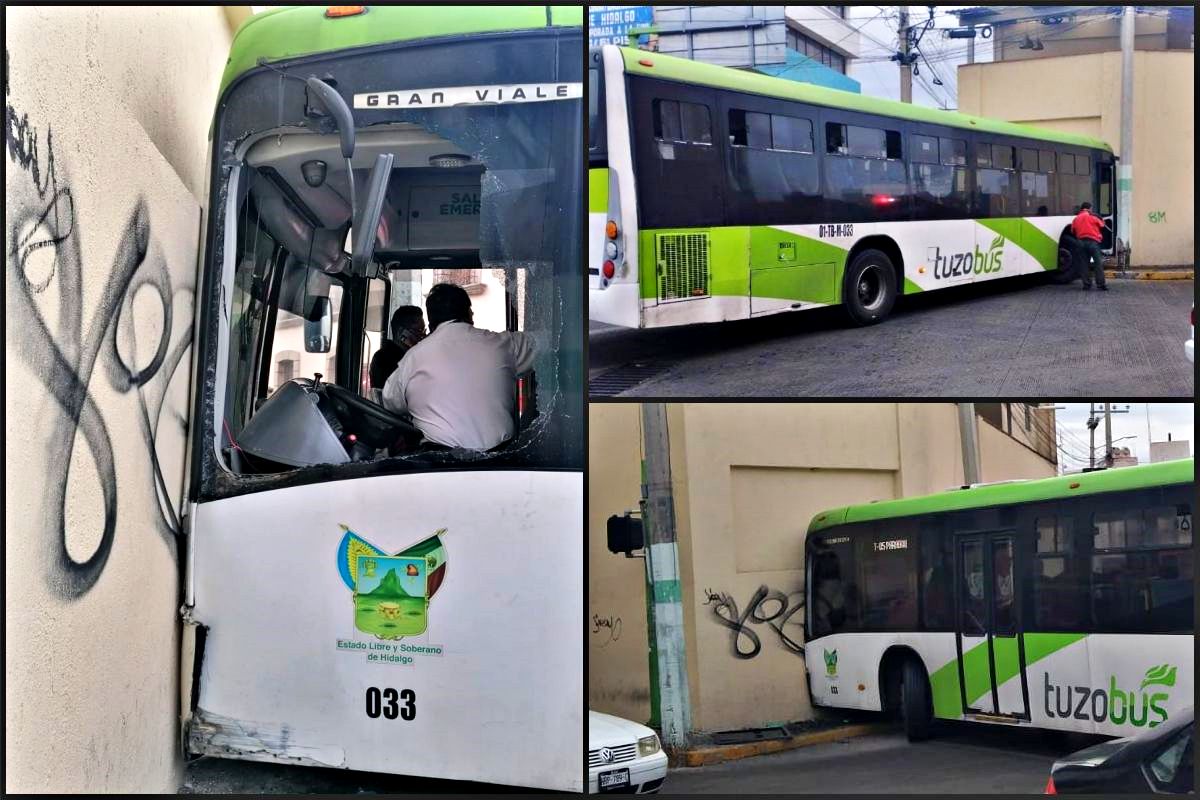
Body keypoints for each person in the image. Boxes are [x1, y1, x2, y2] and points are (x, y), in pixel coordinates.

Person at [381, 283, 536, 450]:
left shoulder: (413, 358)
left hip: (435, 466)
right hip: (499, 462)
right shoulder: (503, 345)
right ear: (469, 313)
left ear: (430, 321)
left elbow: (391, 402)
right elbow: (546, 343)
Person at [369, 306, 425, 391]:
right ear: (401, 332)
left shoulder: (407, 355)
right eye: (419, 331)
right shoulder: (384, 359)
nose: (423, 336)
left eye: (424, 331)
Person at [1071, 202, 1107, 291]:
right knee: (1098, 264)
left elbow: (1072, 231)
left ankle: (1086, 285)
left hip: (1080, 243)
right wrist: (1098, 217)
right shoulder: (1093, 217)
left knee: (1084, 264)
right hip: (1093, 242)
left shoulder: (1076, 219)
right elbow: (1102, 224)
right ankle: (1101, 285)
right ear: (1089, 208)